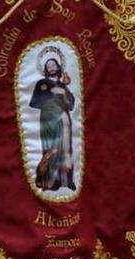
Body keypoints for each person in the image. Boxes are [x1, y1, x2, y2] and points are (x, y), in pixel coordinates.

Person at [29, 54, 76, 191]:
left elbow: (71, 103)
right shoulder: (41, 83)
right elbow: (36, 102)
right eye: (48, 66)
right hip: (48, 120)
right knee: (51, 149)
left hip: (63, 120)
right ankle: (50, 182)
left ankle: (67, 180)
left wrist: (63, 89)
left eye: (53, 65)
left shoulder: (63, 83)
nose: (51, 68)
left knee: (66, 149)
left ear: (58, 67)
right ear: (45, 68)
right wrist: (52, 92)